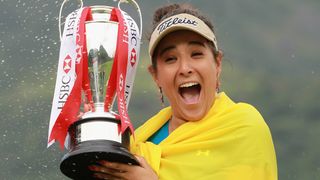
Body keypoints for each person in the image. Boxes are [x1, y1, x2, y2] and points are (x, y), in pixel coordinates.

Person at [89, 3, 277, 180]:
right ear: (155, 75)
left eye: (196, 54)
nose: (185, 68)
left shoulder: (244, 128)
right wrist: (93, 135)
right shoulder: (137, 143)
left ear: (217, 64)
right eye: (170, 59)